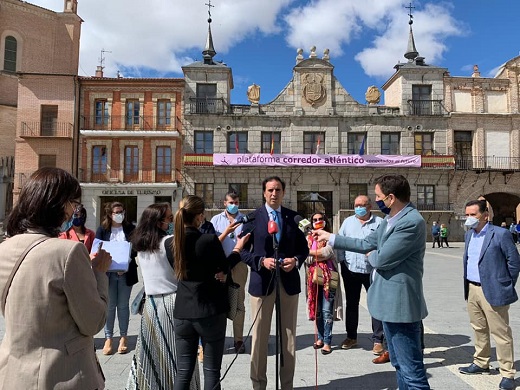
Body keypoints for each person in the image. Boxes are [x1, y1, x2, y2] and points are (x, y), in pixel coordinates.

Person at [313, 174, 430, 390]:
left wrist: (371, 255)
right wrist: (331, 237)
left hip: (401, 306)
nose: (377, 200)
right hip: (388, 304)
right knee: (399, 366)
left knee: (412, 372)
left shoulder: (411, 222)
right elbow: (367, 242)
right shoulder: (389, 220)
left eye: (378, 196)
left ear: (391, 197)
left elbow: (381, 259)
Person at [0, 167, 112, 389]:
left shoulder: (5, 248)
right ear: (58, 204)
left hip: (14, 375)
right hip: (62, 375)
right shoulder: (68, 252)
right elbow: (93, 322)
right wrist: (98, 272)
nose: (73, 210)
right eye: (72, 203)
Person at [172, 195, 250, 390]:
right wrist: (238, 249)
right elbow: (224, 266)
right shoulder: (207, 240)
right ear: (200, 216)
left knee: (183, 371)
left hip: (182, 311)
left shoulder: (171, 243)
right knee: (211, 370)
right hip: (209, 310)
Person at [240, 176, 309, 390]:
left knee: (288, 337)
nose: (274, 193)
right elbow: (242, 251)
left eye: (278, 190)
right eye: (270, 190)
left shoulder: (293, 218)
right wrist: (260, 261)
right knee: (260, 337)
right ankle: (258, 384)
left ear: (283, 192)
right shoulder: (252, 219)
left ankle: (286, 384)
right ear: (263, 193)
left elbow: (303, 248)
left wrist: (296, 260)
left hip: (288, 282)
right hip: (262, 284)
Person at [127, 203, 200, 390]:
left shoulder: (140, 244)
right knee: (179, 355)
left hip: (150, 305)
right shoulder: (169, 241)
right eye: (169, 218)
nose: (171, 221)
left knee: (151, 353)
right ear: (159, 222)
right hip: (172, 302)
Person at [458, 200, 520, 390]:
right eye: (467, 215)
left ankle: (507, 373)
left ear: (486, 215)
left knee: (501, 333)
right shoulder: (469, 235)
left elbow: (514, 262)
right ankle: (481, 362)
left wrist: (505, 285)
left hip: (493, 289)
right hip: (472, 289)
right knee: (478, 328)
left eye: (473, 215)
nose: (469, 218)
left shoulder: (500, 234)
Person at [336, 195, 384, 359]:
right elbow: (340, 242)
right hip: (350, 269)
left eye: (362, 205)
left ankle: (378, 339)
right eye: (356, 205)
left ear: (369, 207)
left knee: (376, 304)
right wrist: (342, 261)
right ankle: (351, 337)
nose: (359, 208)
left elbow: (384, 245)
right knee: (351, 303)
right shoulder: (348, 222)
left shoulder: (379, 223)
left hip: (372, 270)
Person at [96, 201, 138, 355]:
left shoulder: (130, 229)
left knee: (123, 305)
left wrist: (125, 262)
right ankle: (108, 338)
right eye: (117, 212)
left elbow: (135, 249)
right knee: (110, 305)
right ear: (110, 214)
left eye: (122, 211)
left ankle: (123, 337)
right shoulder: (103, 230)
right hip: (108, 274)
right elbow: (97, 249)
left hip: (126, 273)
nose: (120, 214)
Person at [210, 191, 248, 354]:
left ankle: (238, 339)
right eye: (231, 202)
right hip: (220, 266)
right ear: (224, 203)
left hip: (238, 264)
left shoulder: (244, 220)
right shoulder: (216, 220)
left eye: (237, 202)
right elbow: (212, 243)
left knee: (239, 302)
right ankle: (218, 338)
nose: (234, 205)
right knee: (218, 302)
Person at [306, 212, 339, 355]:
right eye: (315, 220)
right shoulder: (308, 239)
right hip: (312, 280)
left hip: (329, 278)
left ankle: (327, 341)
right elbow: (305, 260)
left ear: (325, 221)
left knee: (327, 311)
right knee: (317, 310)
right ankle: (319, 338)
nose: (318, 221)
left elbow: (327, 252)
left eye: (320, 219)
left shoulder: (330, 237)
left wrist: (309, 252)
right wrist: (313, 253)